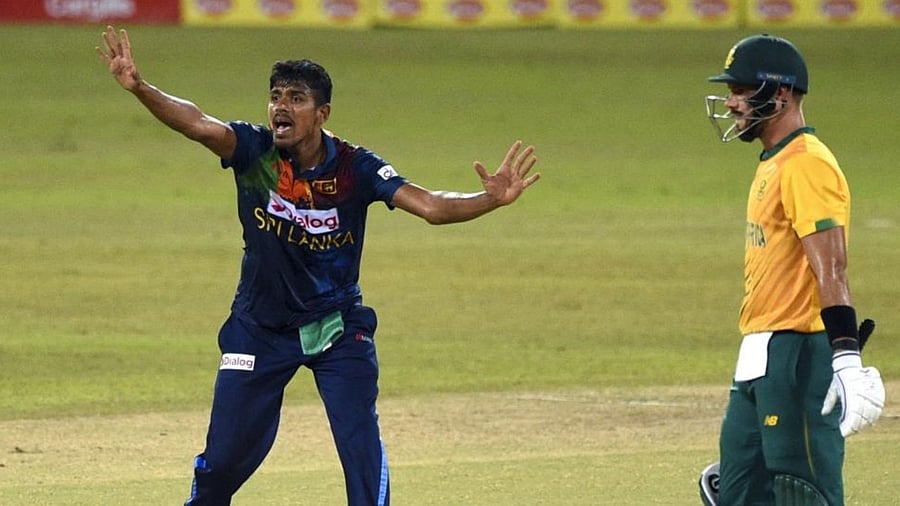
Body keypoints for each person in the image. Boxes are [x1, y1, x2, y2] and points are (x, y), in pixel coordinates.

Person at [96, 25, 539, 506]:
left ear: (322, 113)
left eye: (297, 98)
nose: (281, 106)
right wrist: (140, 87)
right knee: (223, 461)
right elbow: (196, 122)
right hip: (259, 327)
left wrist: (488, 200)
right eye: (275, 96)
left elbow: (431, 205)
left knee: (360, 451)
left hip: (336, 328)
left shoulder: (356, 167)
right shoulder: (254, 150)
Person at [701, 34, 885, 505]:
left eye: (741, 89)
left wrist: (845, 356)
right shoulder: (774, 162)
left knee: (802, 491)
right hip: (761, 351)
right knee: (740, 492)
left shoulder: (806, 165)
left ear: (778, 94)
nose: (731, 102)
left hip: (798, 353)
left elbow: (833, 266)